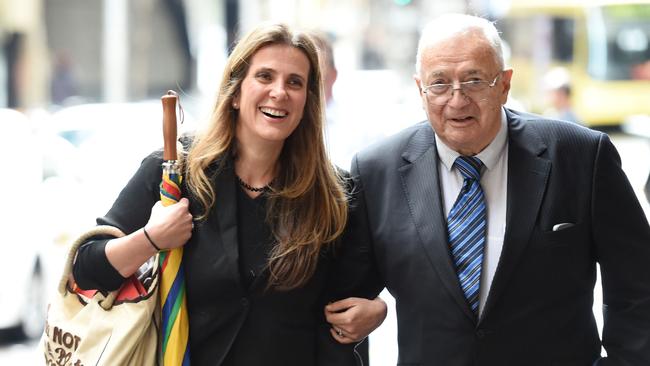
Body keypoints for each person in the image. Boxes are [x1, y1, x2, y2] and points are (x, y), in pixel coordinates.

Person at [328, 13, 650, 364]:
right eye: (439, 83)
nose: (457, 99)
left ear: (505, 84)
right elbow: (346, 300)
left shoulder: (581, 155)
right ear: (420, 90)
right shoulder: (377, 170)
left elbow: (638, 286)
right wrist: (372, 312)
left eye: (474, 80)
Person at [72, 22, 382, 366]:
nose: (279, 92)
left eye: (295, 82)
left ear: (307, 102)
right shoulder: (174, 172)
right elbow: (87, 270)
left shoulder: (334, 195)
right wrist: (150, 238)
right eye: (265, 76)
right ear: (235, 92)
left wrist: (375, 312)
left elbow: (351, 311)